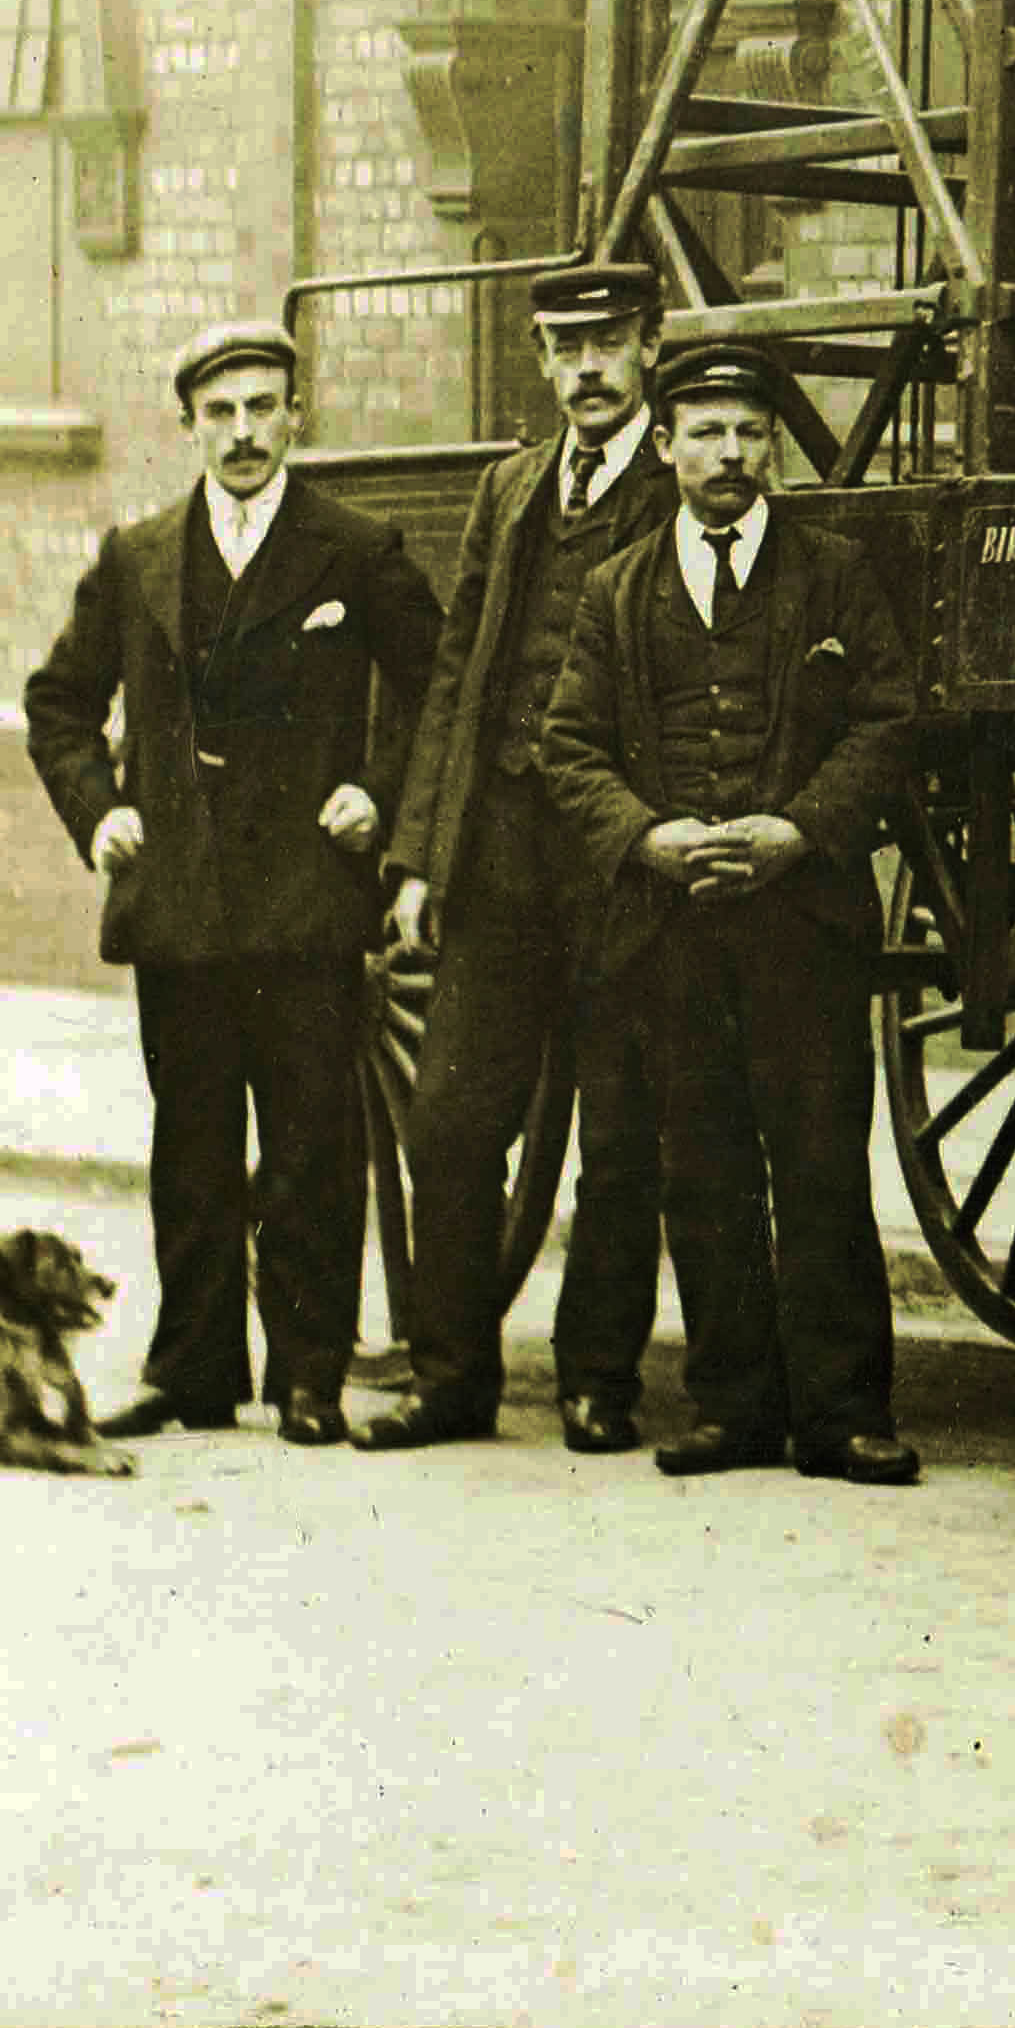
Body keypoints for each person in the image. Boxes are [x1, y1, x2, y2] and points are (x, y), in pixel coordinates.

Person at [22, 318, 444, 1449]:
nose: (245, 432)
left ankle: (308, 1376)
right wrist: (99, 810)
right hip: (183, 908)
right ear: (190, 426)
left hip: (307, 901)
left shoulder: (355, 549)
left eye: (265, 408)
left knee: (311, 1144)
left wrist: (381, 793)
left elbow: (435, 690)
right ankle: (196, 1371)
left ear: (297, 415)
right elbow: (58, 703)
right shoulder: (140, 553)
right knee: (192, 1144)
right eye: (222, 412)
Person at [531, 334, 930, 1487]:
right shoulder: (619, 590)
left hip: (801, 922)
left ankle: (846, 1413)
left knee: (818, 1165)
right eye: (705, 431)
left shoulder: (835, 573)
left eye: (751, 432)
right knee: (702, 1167)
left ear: (774, 452)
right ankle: (732, 1408)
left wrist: (797, 830)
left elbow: (888, 719)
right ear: (664, 447)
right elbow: (569, 746)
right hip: (673, 931)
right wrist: (650, 839)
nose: (731, 454)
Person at [356, 257, 686, 1455]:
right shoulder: (509, 491)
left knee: (618, 1132)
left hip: (616, 864)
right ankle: (452, 1380)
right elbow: (456, 678)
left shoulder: (681, 477)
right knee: (447, 1122)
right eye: (565, 349)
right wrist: (419, 858)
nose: (587, 370)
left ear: (649, 344)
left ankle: (601, 1380)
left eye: (608, 344)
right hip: (497, 854)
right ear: (543, 361)